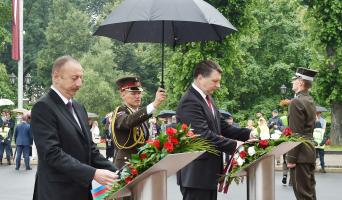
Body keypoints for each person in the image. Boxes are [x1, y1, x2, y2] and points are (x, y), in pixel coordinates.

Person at [31, 55, 118, 200]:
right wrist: (93, 173)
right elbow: (52, 153)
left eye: (81, 78)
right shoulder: (43, 107)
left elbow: (90, 149)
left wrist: (121, 173)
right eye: (74, 78)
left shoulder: (78, 107)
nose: (79, 83)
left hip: (81, 191)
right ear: (57, 77)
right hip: (56, 193)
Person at [176, 60, 251, 200]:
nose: (218, 85)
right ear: (199, 78)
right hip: (196, 176)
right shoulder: (190, 101)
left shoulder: (207, 98)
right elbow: (203, 135)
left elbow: (223, 128)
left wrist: (250, 134)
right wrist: (236, 145)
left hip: (208, 175)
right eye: (214, 81)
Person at [112, 76, 166, 169]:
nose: (138, 96)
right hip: (126, 165)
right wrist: (155, 103)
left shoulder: (141, 115)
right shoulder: (120, 112)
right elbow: (128, 122)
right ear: (122, 94)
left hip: (141, 163)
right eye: (133, 93)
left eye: (139, 93)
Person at [286, 67, 318, 200]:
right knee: (309, 194)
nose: (292, 82)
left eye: (294, 79)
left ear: (300, 82)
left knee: (303, 195)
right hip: (308, 151)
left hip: (300, 155)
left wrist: (291, 158)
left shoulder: (296, 101)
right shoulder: (309, 100)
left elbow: (296, 133)